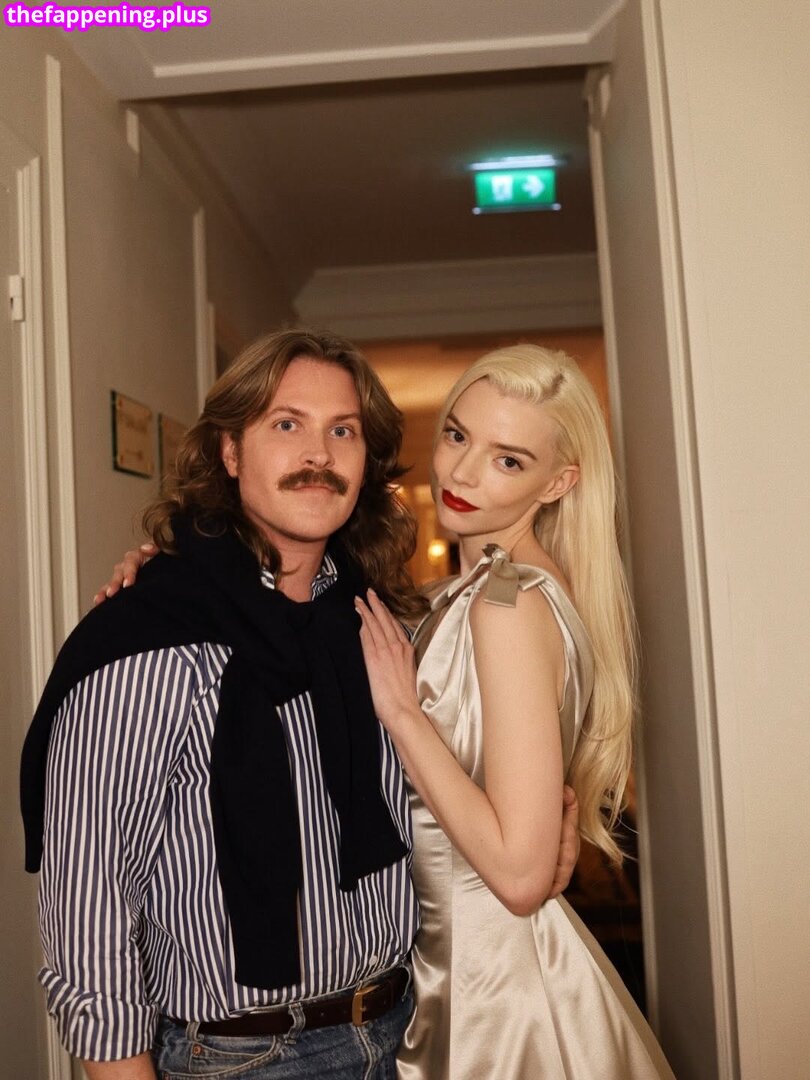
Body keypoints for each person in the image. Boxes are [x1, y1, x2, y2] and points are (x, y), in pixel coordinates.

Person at [22, 330, 579, 1080]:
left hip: (412, 1031)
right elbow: (87, 912)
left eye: (342, 431)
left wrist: (546, 838)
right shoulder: (148, 641)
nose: (319, 453)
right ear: (229, 452)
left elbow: (466, 779)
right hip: (242, 1058)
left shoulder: (375, 623)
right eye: (287, 424)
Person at [353, 344, 676, 1078]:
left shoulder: (509, 604)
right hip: (462, 972)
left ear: (559, 482)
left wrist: (403, 714)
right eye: (457, 435)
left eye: (508, 460)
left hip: (493, 995)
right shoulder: (472, 592)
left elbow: (522, 876)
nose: (462, 473)